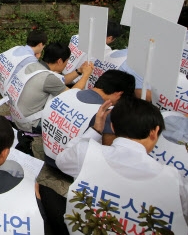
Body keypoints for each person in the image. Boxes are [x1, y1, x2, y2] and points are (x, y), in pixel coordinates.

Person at [57, 97, 188, 232]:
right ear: (154, 132)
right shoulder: (174, 179)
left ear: (112, 127)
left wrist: (96, 129)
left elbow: (62, 161)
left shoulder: (86, 152)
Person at [41, 69, 136, 167]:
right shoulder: (106, 113)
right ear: (119, 94)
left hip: (49, 156)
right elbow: (109, 154)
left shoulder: (69, 93)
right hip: (72, 168)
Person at [8, 42, 92, 134]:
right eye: (67, 61)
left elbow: (61, 81)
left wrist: (79, 71)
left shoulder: (33, 65)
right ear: (60, 61)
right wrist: (86, 75)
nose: (66, 64)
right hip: (28, 123)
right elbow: (72, 96)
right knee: (71, 126)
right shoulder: (48, 78)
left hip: (16, 116)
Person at [0, 29, 48, 97]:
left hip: (2, 86)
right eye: (44, 45)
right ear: (40, 45)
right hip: (11, 93)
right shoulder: (31, 60)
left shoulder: (17, 48)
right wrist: (36, 59)